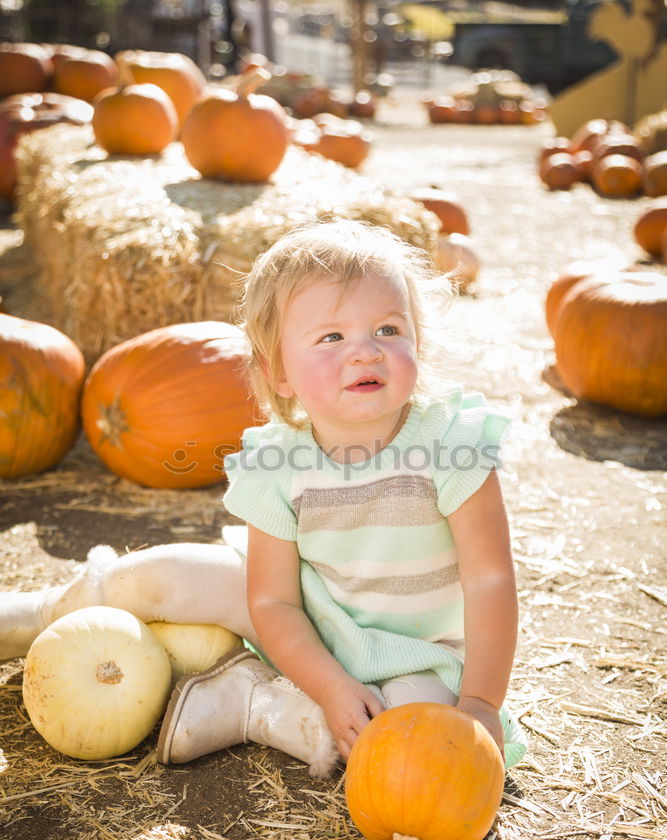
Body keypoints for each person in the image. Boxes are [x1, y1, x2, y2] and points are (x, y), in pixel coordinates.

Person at [0, 219, 526, 777]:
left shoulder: (452, 444)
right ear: (278, 372)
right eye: (331, 337)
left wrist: (479, 704)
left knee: (403, 742)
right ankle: (45, 613)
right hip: (300, 616)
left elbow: (491, 580)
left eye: (389, 330)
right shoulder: (278, 462)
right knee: (155, 576)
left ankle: (255, 705)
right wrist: (327, 679)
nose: (366, 353)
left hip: (413, 654)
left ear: (418, 340)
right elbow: (272, 601)